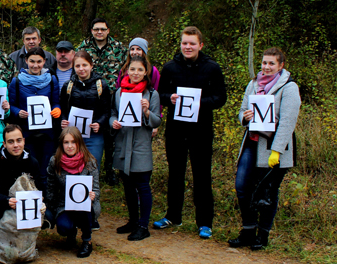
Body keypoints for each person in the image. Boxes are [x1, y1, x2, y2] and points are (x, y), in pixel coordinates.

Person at [153, 26, 227, 239]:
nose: (188, 47)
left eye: (192, 43)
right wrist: (170, 99)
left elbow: (221, 98)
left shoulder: (212, 68)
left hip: (201, 131)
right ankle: (173, 215)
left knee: (202, 176)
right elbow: (160, 95)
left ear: (200, 45)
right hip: (176, 131)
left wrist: (199, 103)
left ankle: (204, 222)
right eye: (184, 43)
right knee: (175, 174)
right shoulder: (169, 68)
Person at [230, 47, 300, 250]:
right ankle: (248, 230)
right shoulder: (253, 84)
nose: (266, 67)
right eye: (264, 63)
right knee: (242, 186)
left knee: (268, 191)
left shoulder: (289, 88)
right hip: (251, 143)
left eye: (271, 63)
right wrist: (245, 117)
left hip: (272, 147)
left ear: (280, 65)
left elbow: (288, 122)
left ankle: (263, 235)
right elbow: (242, 111)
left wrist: (277, 151)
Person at [110, 56, 162, 241]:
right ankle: (132, 221)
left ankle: (143, 225)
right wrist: (113, 123)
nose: (136, 73)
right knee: (128, 186)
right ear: (126, 71)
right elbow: (113, 114)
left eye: (140, 70)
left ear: (146, 72)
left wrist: (147, 111)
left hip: (140, 145)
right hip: (123, 144)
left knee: (142, 185)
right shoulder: (118, 93)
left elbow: (157, 120)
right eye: (132, 69)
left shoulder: (151, 94)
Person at [77, 17, 127, 185]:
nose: (99, 32)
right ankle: (86, 168)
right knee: (92, 133)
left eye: (102, 29)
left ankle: (110, 170)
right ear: (91, 31)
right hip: (91, 98)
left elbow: (126, 71)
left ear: (108, 31)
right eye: (96, 29)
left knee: (112, 135)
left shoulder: (119, 49)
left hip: (112, 97)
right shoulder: (83, 47)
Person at [8, 46, 61, 184]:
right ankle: (30, 196)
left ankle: (46, 198)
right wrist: (17, 112)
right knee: (29, 166)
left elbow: (56, 102)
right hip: (27, 133)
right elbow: (11, 105)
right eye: (32, 61)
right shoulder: (17, 81)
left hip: (47, 133)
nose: (35, 65)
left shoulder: (51, 80)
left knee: (46, 166)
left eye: (39, 61)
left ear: (44, 61)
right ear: (26, 61)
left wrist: (56, 109)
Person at [45, 127, 100, 257]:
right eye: (66, 142)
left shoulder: (89, 161)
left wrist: (93, 195)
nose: (70, 146)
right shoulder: (55, 161)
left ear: (79, 143)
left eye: (73, 142)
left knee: (83, 208)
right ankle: (71, 232)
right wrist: (50, 210)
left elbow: (97, 189)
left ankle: (87, 241)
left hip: (86, 207)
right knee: (64, 227)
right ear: (61, 144)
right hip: (64, 204)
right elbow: (51, 187)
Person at [0, 125, 44, 235]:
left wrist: (39, 196)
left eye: (19, 140)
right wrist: (6, 200)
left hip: (26, 204)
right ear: (4, 144)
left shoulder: (33, 162)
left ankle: (27, 239)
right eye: (11, 142)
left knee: (48, 214)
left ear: (24, 141)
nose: (16, 145)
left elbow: (39, 185)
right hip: (3, 204)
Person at [60, 51, 111, 170]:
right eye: (77, 66)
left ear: (91, 66)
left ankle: (93, 189)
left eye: (84, 65)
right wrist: (63, 120)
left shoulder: (101, 85)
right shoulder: (68, 86)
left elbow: (107, 110)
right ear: (73, 67)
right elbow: (63, 108)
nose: (81, 69)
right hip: (73, 135)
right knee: (73, 167)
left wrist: (100, 123)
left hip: (94, 135)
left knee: (93, 166)